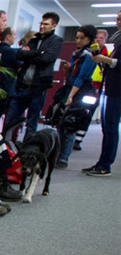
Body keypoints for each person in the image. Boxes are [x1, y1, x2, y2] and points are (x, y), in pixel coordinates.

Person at [2, 12, 62, 142]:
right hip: (22, 86)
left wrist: (31, 54)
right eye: (41, 23)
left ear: (53, 26)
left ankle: (27, 149)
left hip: (38, 88)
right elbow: (20, 54)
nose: (42, 26)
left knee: (32, 121)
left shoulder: (56, 41)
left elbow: (47, 58)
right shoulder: (34, 40)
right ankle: (4, 146)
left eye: (46, 24)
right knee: (11, 119)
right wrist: (38, 53)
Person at [54, 25, 98, 168]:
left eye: (82, 38)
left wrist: (71, 96)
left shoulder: (90, 55)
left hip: (80, 92)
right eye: (77, 37)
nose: (78, 41)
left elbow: (81, 77)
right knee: (60, 122)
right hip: (69, 88)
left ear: (89, 38)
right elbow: (72, 76)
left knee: (71, 124)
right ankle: (59, 153)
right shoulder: (76, 53)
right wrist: (67, 70)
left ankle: (64, 158)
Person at [83, 10, 121, 176]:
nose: (117, 22)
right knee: (107, 128)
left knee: (111, 128)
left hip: (117, 91)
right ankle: (102, 163)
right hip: (110, 88)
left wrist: (104, 59)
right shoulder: (118, 41)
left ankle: (105, 165)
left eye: (120, 19)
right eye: (117, 19)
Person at [0, 26, 20, 129]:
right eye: (14, 35)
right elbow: (20, 68)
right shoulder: (12, 52)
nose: (15, 37)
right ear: (8, 36)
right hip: (6, 89)